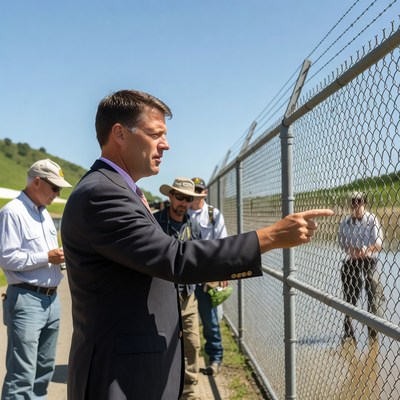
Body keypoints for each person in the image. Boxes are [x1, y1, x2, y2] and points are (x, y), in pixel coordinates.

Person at [60, 89, 333, 400]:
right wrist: (270, 237)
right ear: (120, 134)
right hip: (120, 378)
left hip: (132, 371)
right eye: (155, 134)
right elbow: (174, 259)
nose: (166, 144)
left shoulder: (120, 190)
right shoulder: (102, 194)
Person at [0, 158, 72, 399]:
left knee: (44, 371)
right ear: (37, 182)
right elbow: (7, 258)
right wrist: (46, 257)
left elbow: (49, 257)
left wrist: (59, 259)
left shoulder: (44, 215)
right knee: (22, 375)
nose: (57, 193)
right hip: (27, 299)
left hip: (51, 302)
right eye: (54, 188)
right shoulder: (12, 212)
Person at [154, 177, 205, 400]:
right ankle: (162, 389)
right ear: (170, 197)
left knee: (192, 344)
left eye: (188, 199)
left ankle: (189, 392)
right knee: (161, 345)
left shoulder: (194, 226)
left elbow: (201, 258)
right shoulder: (155, 222)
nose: (183, 202)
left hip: (187, 297)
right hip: (161, 297)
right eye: (180, 197)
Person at [188, 177, 227, 376]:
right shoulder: (182, 211)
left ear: (204, 192)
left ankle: (215, 359)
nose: (196, 194)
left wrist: (222, 272)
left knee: (210, 320)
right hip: (186, 274)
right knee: (184, 321)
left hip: (206, 275)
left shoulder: (213, 214)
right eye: (193, 190)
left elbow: (221, 243)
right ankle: (185, 362)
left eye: (199, 190)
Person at [338, 191, 385, 343]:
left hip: (369, 259)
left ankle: (373, 330)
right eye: (354, 201)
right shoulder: (345, 222)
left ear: (364, 202)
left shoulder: (372, 219)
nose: (356, 204)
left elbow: (378, 244)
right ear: (350, 204)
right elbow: (342, 242)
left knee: (371, 286)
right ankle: (348, 329)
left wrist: (367, 249)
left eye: (359, 201)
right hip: (352, 260)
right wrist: (351, 250)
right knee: (350, 291)